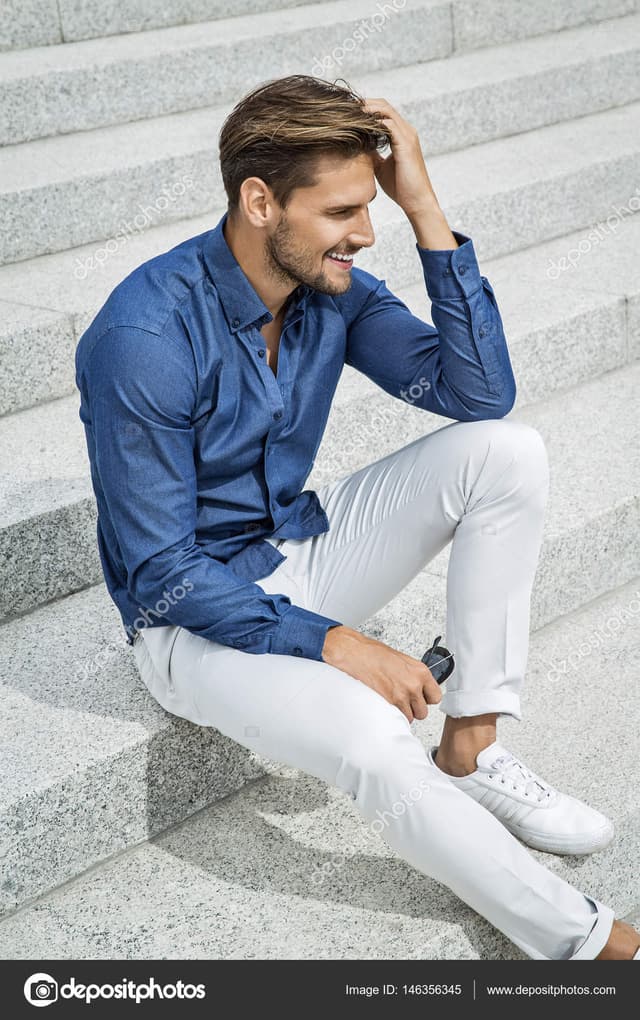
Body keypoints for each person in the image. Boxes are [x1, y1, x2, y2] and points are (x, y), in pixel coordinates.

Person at [75, 75, 639, 961]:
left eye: (370, 205)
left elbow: (478, 395)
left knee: (507, 452)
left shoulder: (330, 288)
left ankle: (470, 747)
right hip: (188, 623)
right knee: (375, 742)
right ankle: (594, 947)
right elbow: (161, 574)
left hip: (294, 544)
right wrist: (338, 643)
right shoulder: (143, 338)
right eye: (342, 211)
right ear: (260, 202)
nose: (365, 233)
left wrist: (425, 209)